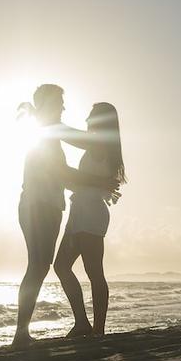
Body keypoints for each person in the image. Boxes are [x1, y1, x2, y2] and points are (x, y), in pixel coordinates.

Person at [12, 85, 119, 348]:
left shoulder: (57, 133)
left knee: (49, 266)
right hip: (43, 207)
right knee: (42, 266)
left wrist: (35, 113)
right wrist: (101, 181)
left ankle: (87, 327)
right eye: (60, 102)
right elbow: (63, 172)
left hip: (61, 208)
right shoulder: (47, 133)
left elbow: (69, 161)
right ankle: (23, 333)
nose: (64, 107)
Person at [54, 102, 126, 337]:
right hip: (80, 212)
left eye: (92, 117)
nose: (86, 120)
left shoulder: (99, 143)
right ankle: (83, 323)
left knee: (94, 271)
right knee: (62, 266)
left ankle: (98, 329)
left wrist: (47, 120)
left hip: (91, 213)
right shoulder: (99, 145)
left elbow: (66, 134)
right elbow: (84, 180)